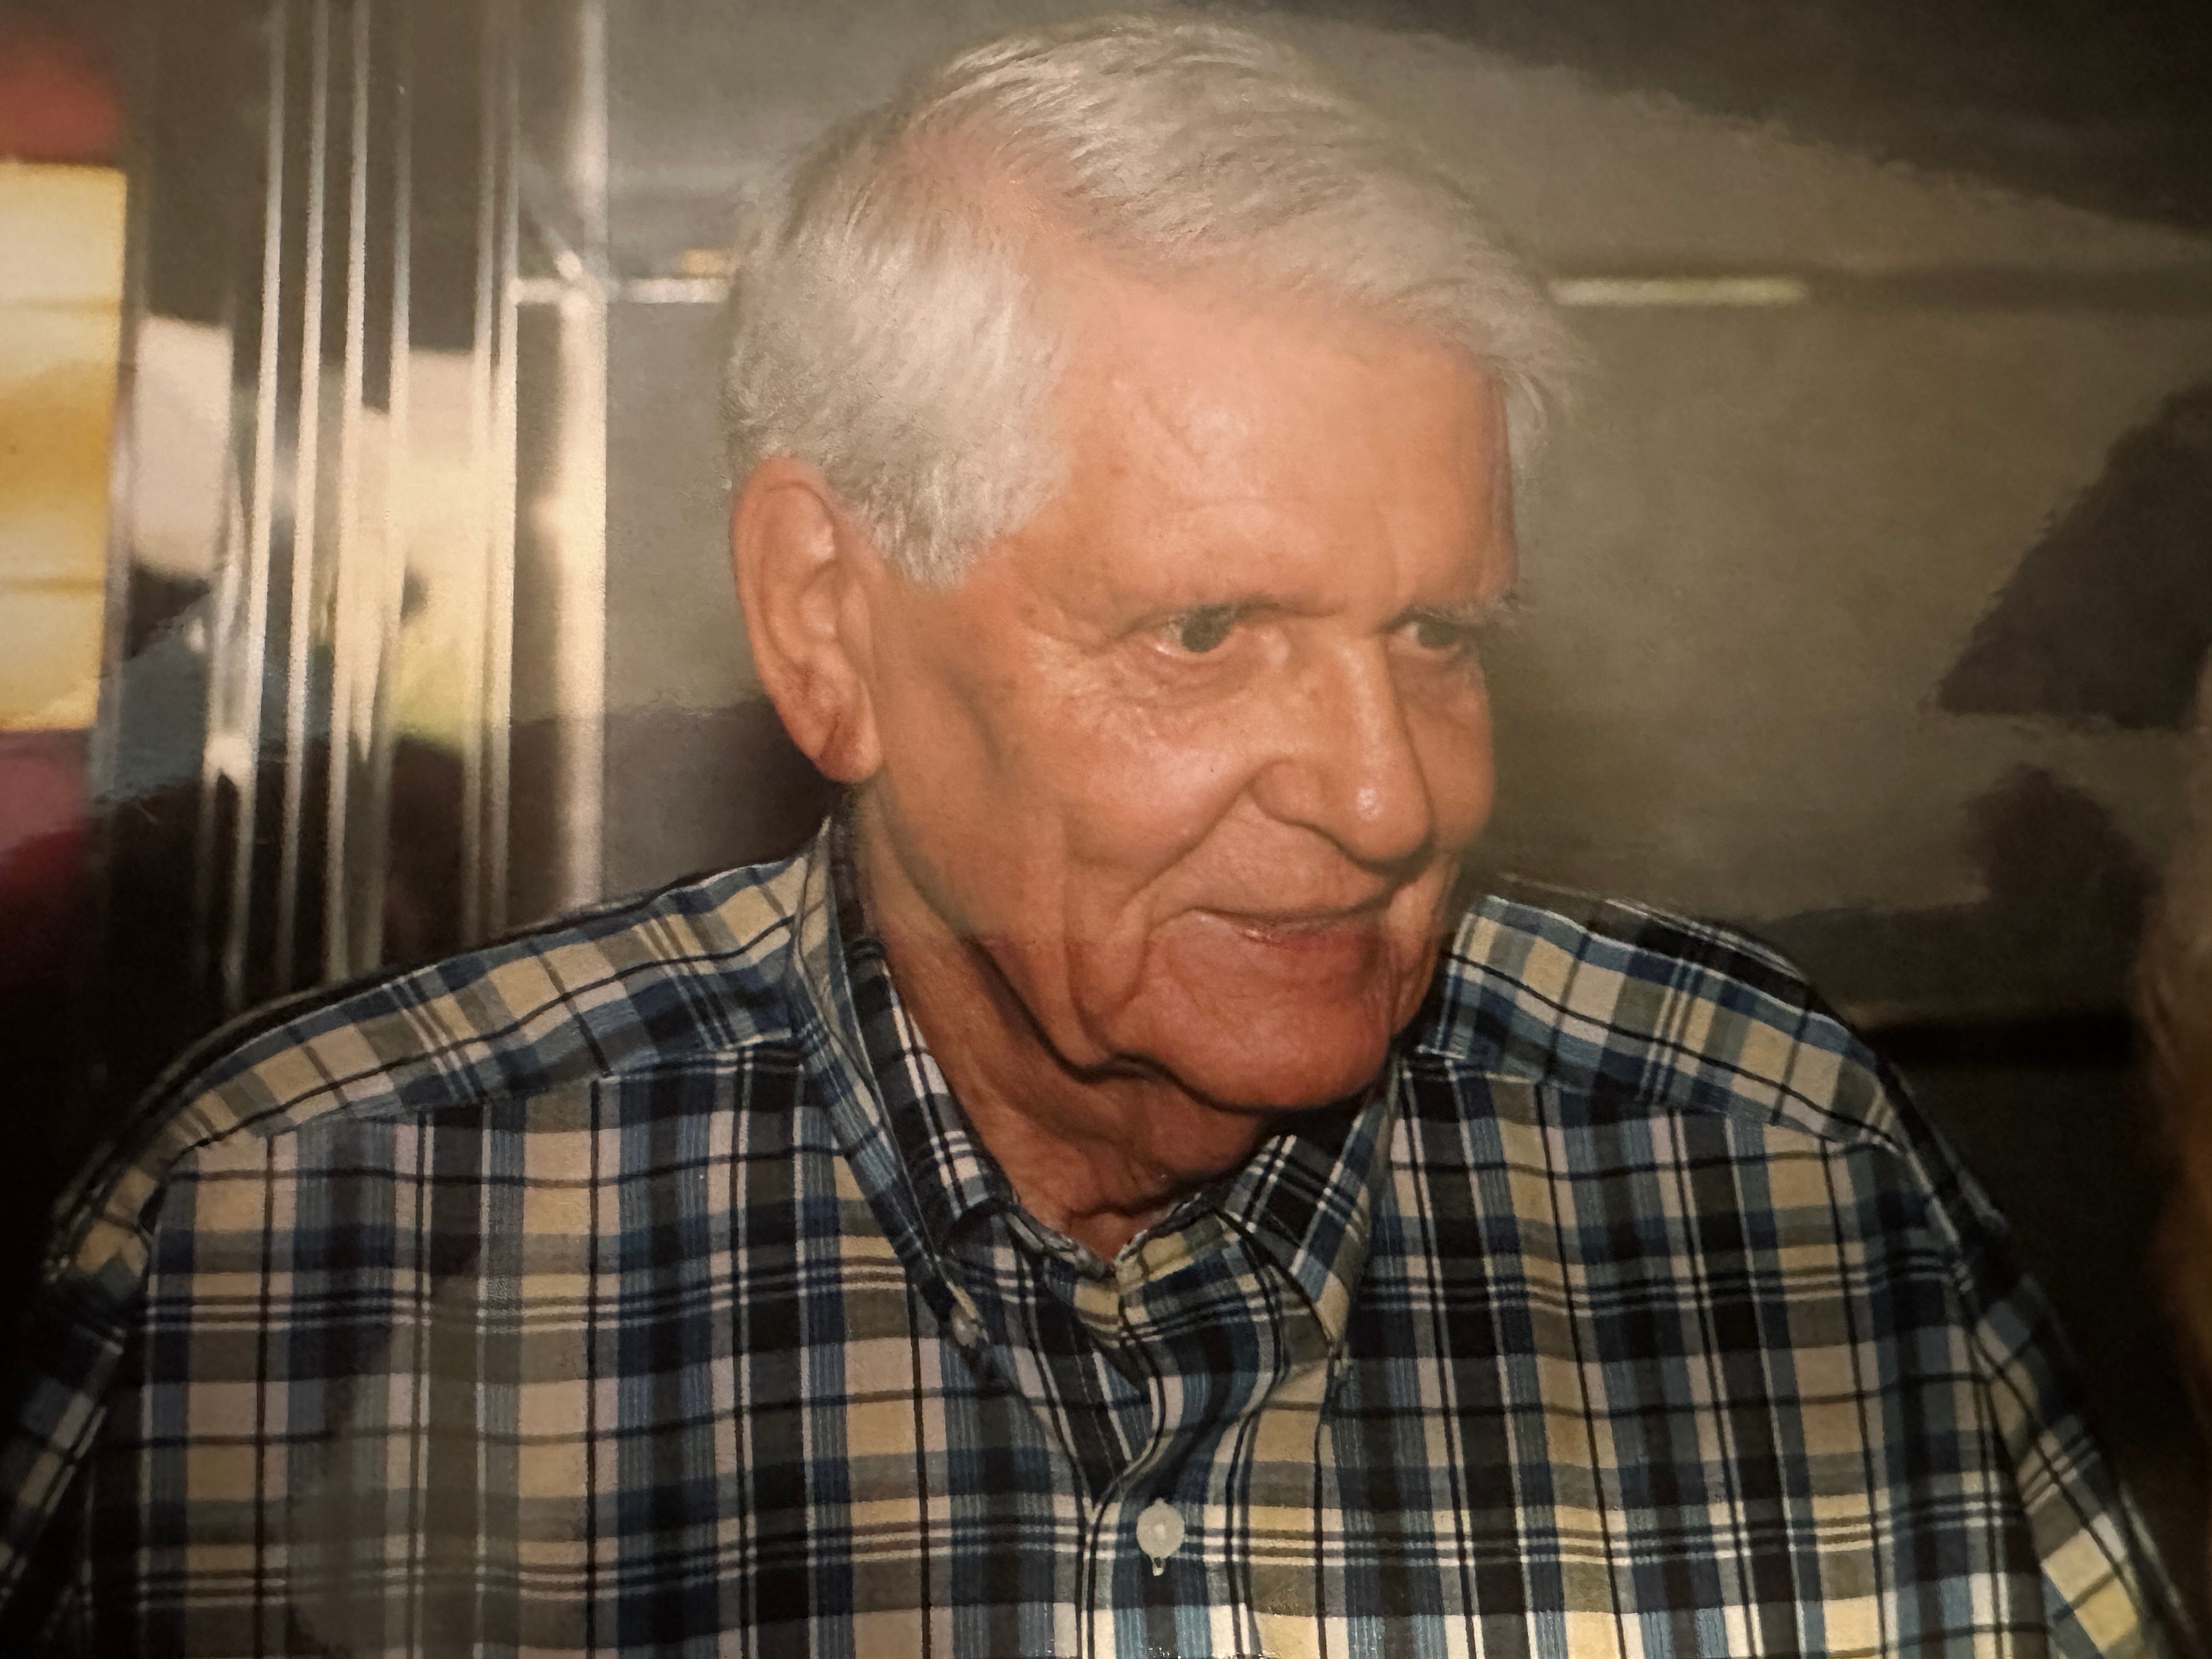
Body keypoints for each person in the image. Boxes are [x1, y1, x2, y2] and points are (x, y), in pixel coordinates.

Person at [0, 15, 2187, 1656]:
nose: (1389, 795)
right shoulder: (288, 1241)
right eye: (1206, 632)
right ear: (825, 620)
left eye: (1436, 634)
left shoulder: (1777, 1166)